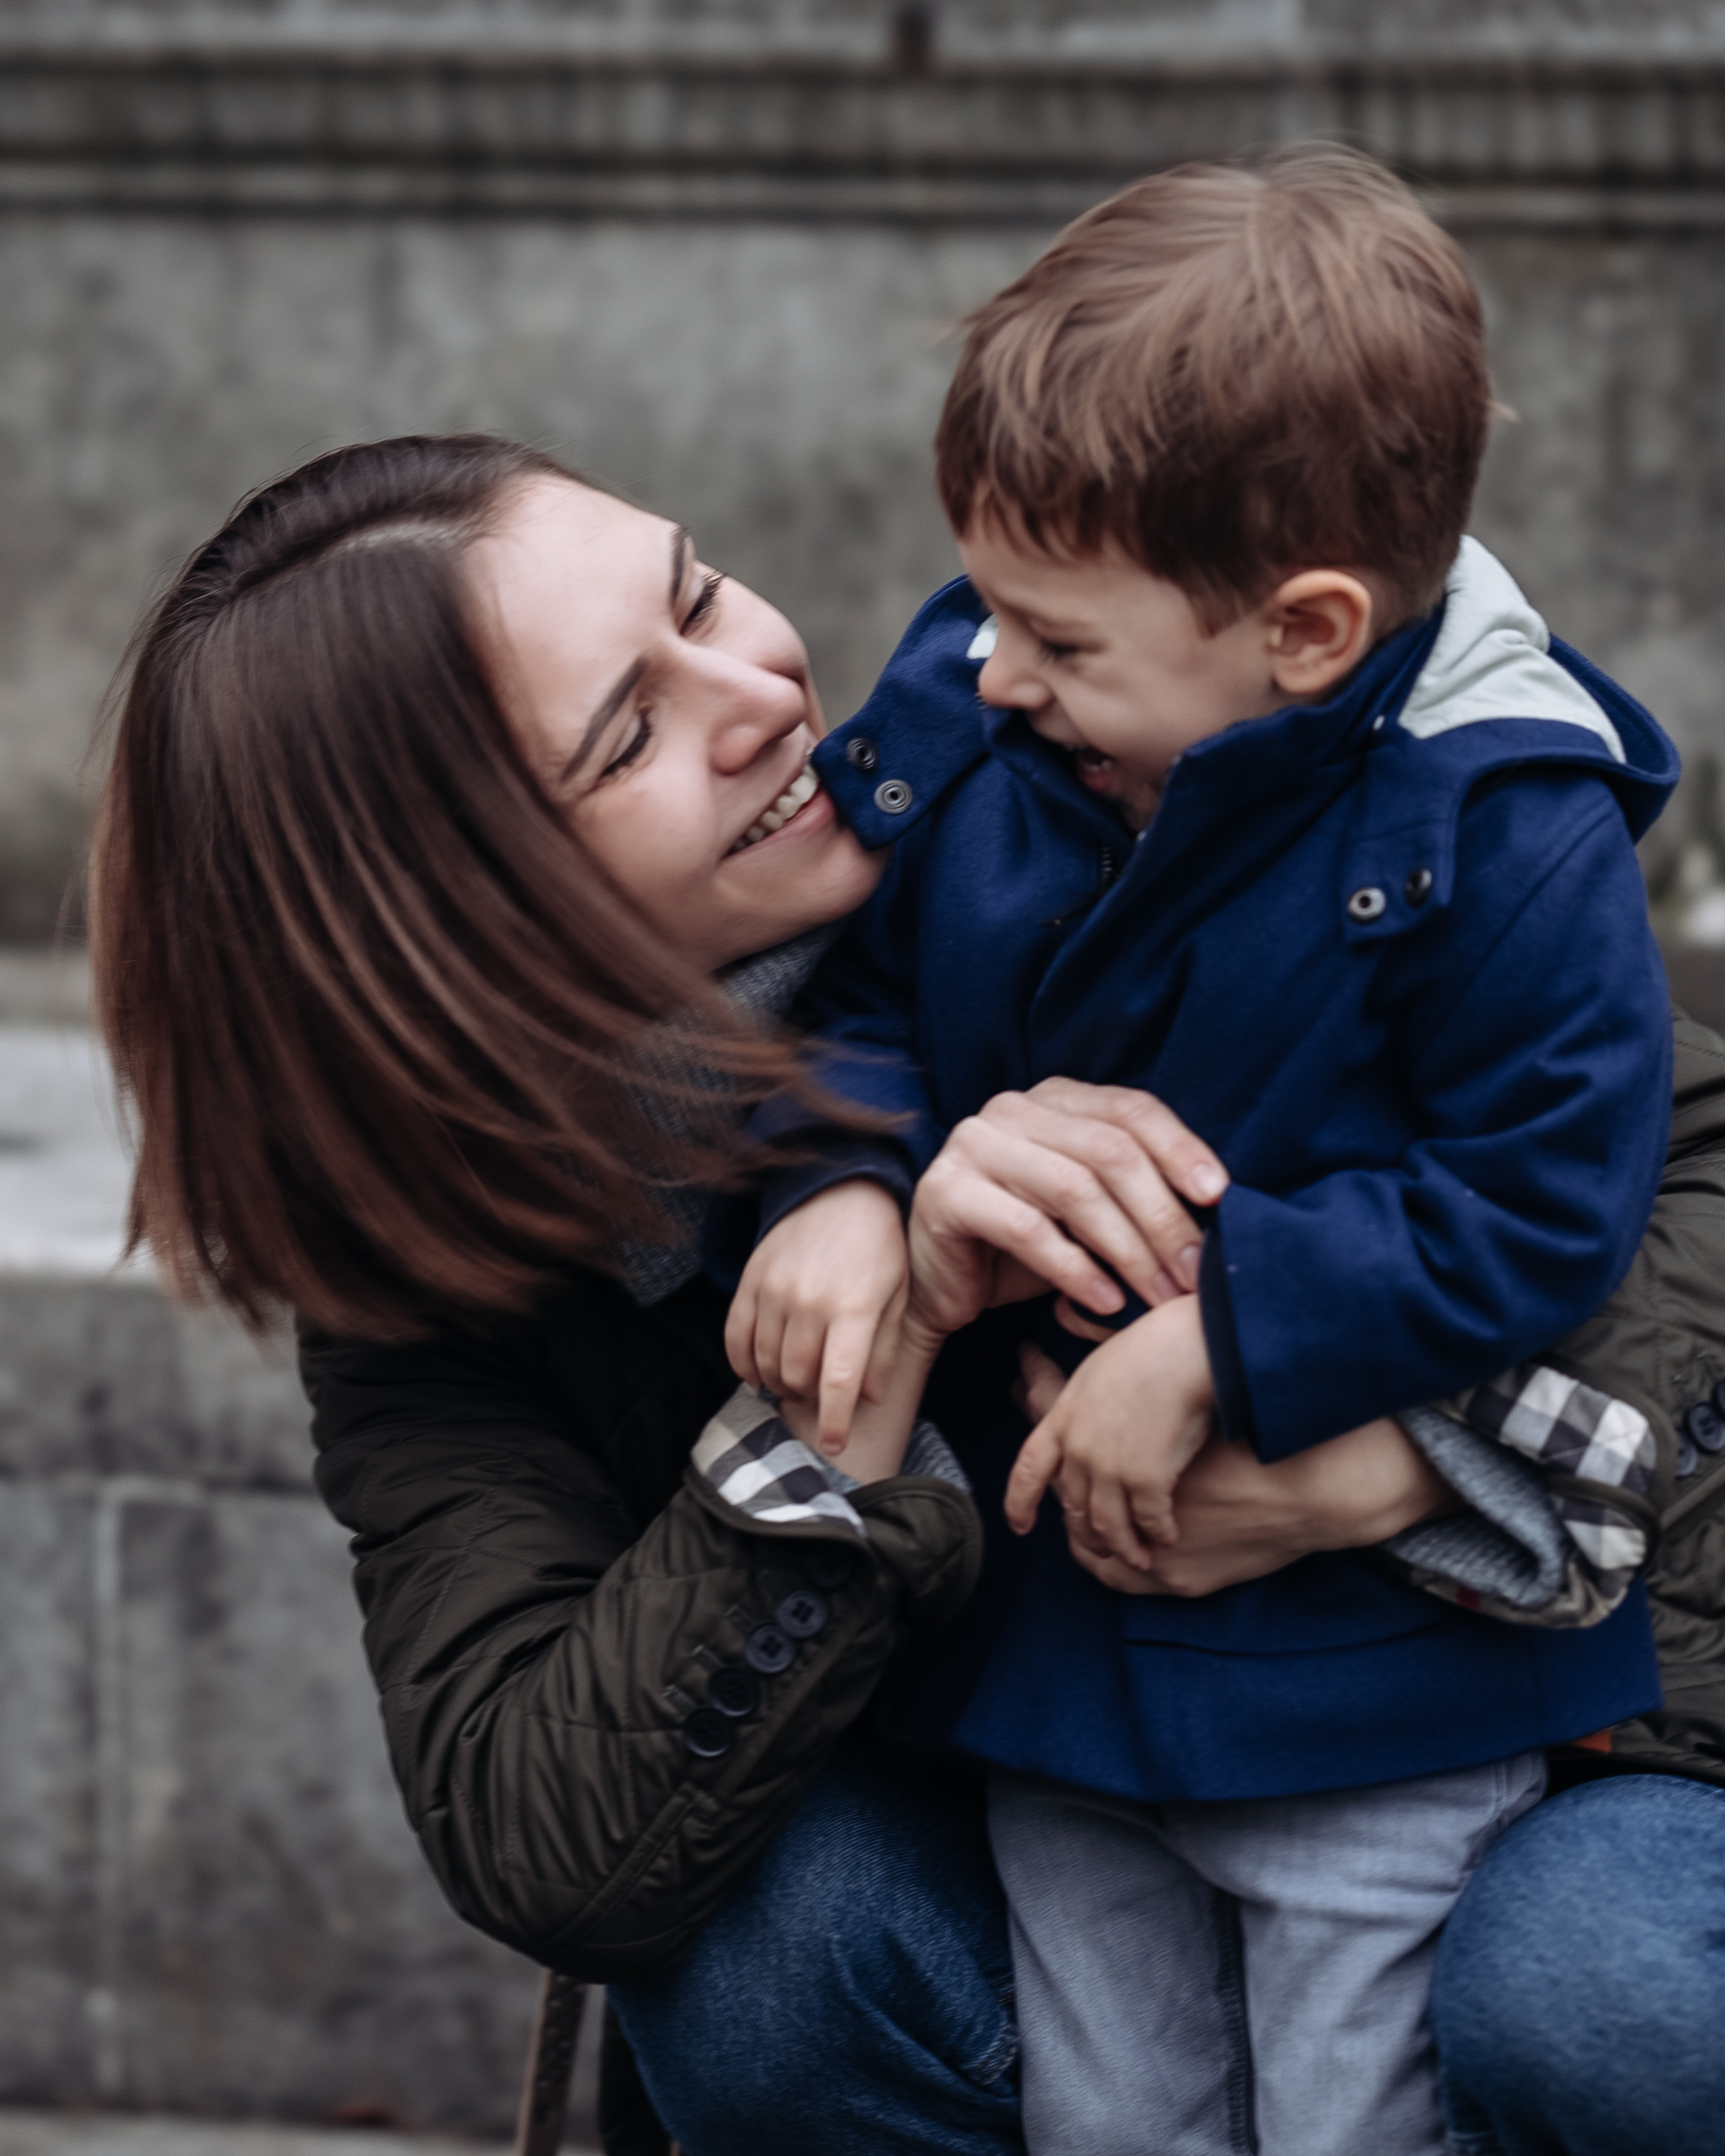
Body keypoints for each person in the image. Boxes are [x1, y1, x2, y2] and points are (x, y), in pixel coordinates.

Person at [87, 431, 1493, 2156]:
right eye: (629, 732)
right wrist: (878, 1313)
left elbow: (1675, 1159)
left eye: (696, 591)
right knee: (771, 1956)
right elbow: (546, 1840)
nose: (755, 684)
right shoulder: (440, 1274)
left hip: (1416, 1748)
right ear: (460, 934)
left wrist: (1417, 1462)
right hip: (1022, 1869)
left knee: (1605, 1981)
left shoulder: (1061, 784)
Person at [727, 146, 1679, 2154]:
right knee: (1105, 2106)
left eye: (1055, 639)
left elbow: (1541, 1189)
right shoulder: (1009, 704)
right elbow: (868, 1001)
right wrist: (843, 1179)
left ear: (1305, 630)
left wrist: (1223, 1331)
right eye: (984, 604)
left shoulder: (1500, 829)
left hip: (1367, 1688)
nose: (987, 670)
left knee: (1350, 2108)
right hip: (1060, 1647)